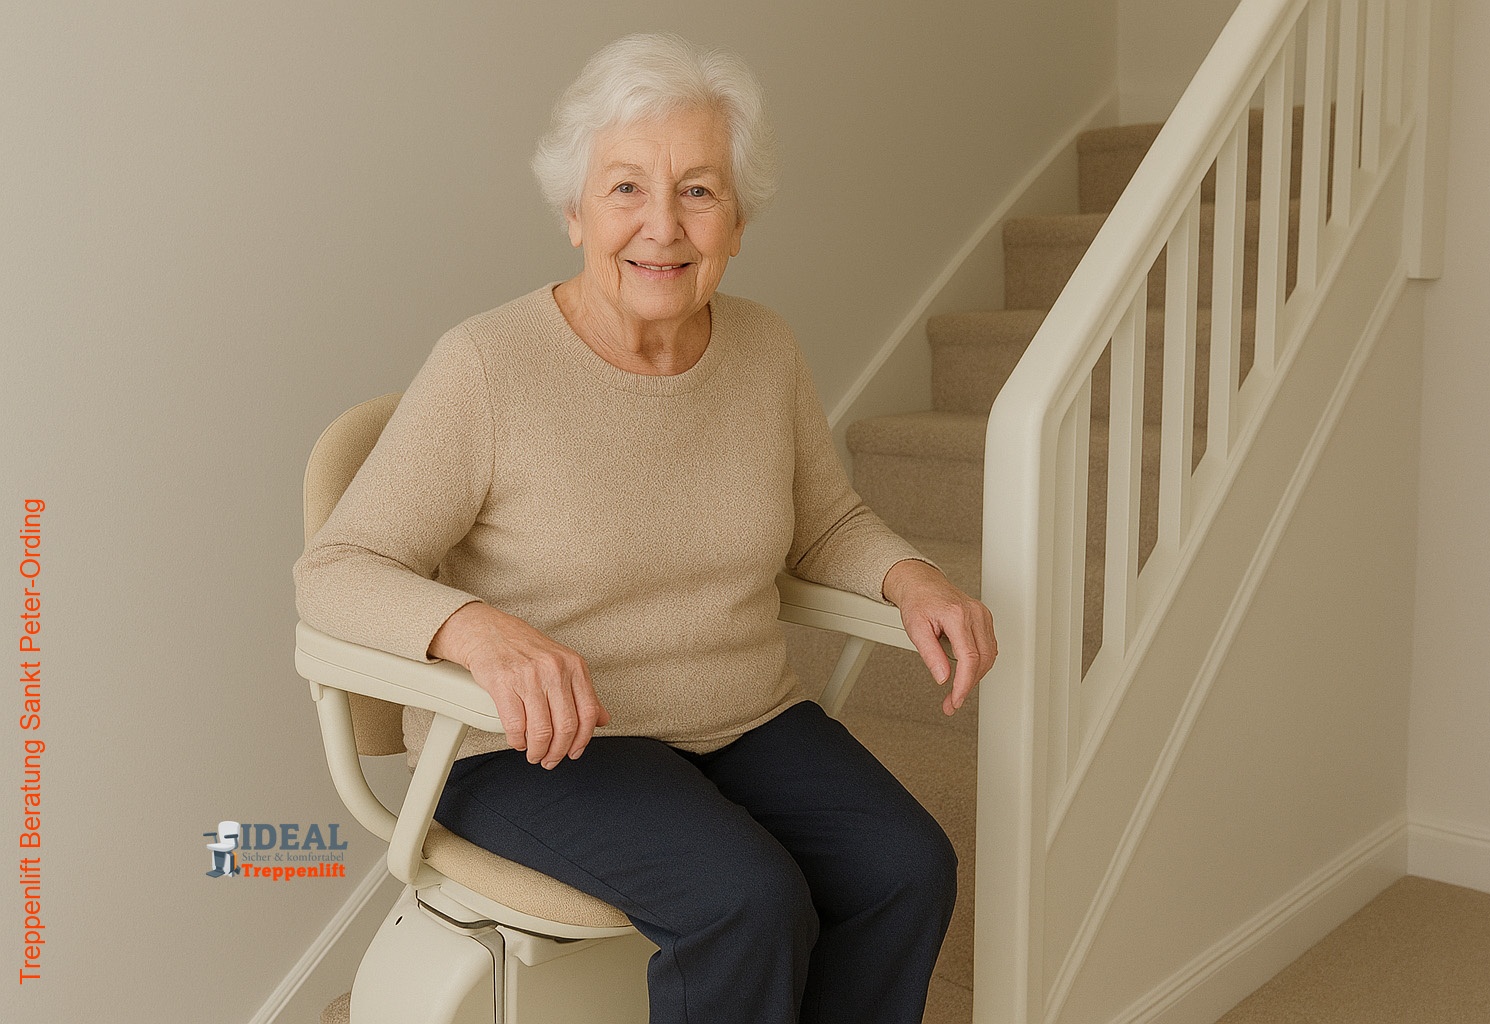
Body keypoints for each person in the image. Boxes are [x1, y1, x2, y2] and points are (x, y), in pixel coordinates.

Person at [293, 32, 996, 1024]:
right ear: (575, 211)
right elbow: (335, 570)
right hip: (531, 749)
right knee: (746, 900)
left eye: (699, 190)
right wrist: (472, 629)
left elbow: (825, 519)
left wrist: (908, 574)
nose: (661, 226)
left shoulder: (766, 352)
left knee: (907, 868)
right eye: (625, 188)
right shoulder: (488, 369)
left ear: (738, 218)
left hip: (741, 715)